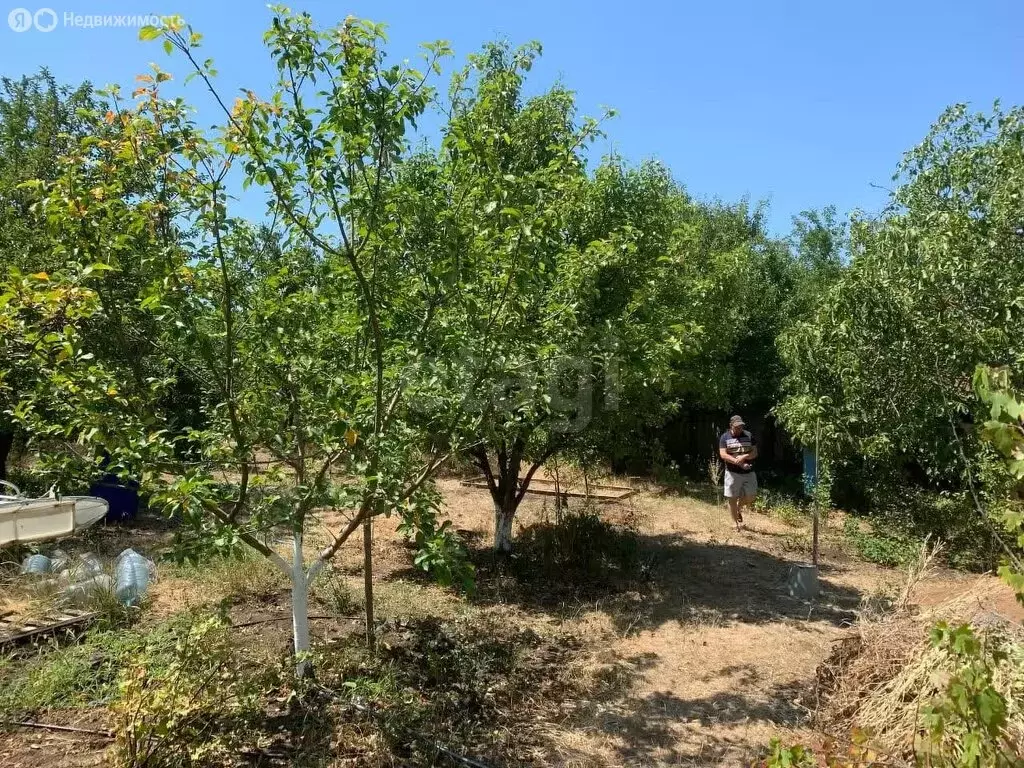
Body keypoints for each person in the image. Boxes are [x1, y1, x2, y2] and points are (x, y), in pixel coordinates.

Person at [718, 415, 758, 531]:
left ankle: (739, 507)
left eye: (741, 426)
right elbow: (723, 454)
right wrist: (737, 461)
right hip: (732, 473)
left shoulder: (749, 435)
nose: (739, 429)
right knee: (732, 498)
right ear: (731, 426)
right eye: (737, 427)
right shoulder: (724, 437)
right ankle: (735, 524)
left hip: (749, 472)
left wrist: (745, 456)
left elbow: (755, 452)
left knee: (751, 496)